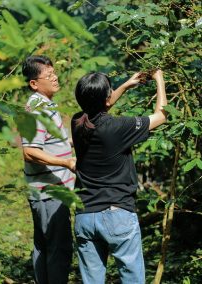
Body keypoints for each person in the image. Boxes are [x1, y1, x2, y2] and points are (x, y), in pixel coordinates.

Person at [71, 70, 167, 284]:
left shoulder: (77, 122)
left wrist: (125, 85)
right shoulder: (117, 128)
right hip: (116, 214)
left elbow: (97, 107)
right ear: (107, 98)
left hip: (85, 216)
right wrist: (159, 78)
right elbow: (161, 115)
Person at [20, 55, 76, 284]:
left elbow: (49, 143)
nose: (55, 78)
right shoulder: (37, 109)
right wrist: (67, 163)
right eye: (49, 75)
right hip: (49, 192)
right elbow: (30, 151)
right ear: (34, 83)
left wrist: (74, 143)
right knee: (58, 250)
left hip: (47, 191)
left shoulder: (43, 105)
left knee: (46, 247)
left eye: (54, 73)